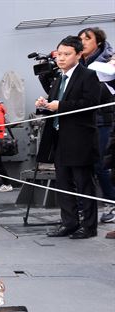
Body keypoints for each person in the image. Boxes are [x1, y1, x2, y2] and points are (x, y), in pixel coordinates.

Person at [36, 36, 101, 239]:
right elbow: (56, 105)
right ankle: (69, 223)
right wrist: (45, 105)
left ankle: (89, 226)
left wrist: (60, 106)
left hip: (80, 139)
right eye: (59, 54)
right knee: (63, 182)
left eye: (67, 54)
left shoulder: (88, 76)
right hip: (59, 138)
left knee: (83, 183)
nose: (61, 59)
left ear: (79, 55)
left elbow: (91, 104)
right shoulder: (58, 78)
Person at [78, 27, 115, 221]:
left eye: (87, 38)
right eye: (80, 38)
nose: (82, 42)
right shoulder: (82, 62)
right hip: (89, 120)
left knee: (103, 164)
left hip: (104, 120)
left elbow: (103, 93)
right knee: (91, 164)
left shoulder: (107, 62)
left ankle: (112, 203)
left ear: (98, 42)